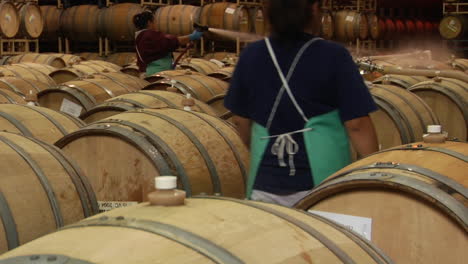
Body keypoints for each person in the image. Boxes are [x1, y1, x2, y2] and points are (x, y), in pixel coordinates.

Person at [224, 0, 379, 207]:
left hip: (265, 181)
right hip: (322, 183)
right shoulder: (334, 55)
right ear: (314, 10)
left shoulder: (251, 55)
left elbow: (240, 120)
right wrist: (375, 170)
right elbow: (357, 124)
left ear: (267, 13)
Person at [133, 11, 204, 76]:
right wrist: (192, 36)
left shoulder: (142, 35)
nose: (156, 24)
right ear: (149, 22)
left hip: (153, 72)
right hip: (156, 74)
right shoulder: (149, 35)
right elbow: (171, 41)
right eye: (154, 21)